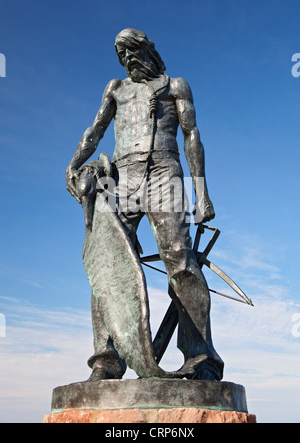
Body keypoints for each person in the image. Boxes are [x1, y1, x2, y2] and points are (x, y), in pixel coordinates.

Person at [65, 28, 224, 381]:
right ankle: (107, 359)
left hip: (165, 173)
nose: (127, 60)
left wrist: (202, 193)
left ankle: (202, 359)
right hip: (120, 176)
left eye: (132, 52)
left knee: (181, 262)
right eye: (121, 55)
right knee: (107, 260)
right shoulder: (116, 89)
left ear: (148, 51)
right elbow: (95, 130)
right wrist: (75, 163)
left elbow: (192, 137)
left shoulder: (176, 86)